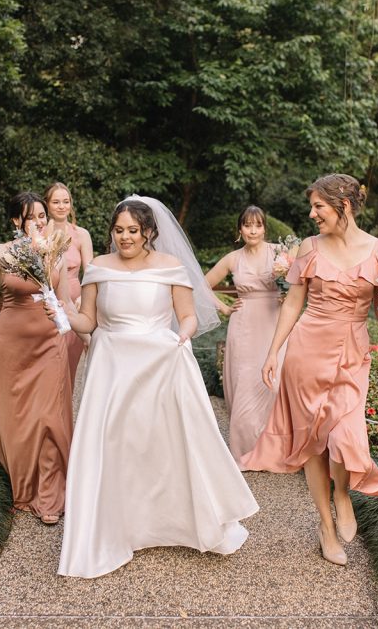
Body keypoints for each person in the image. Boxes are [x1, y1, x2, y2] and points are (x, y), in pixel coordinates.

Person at [51, 196, 258, 578]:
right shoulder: (98, 267)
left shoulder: (171, 267)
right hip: (112, 367)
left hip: (159, 363)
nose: (125, 237)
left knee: (160, 443)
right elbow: (88, 322)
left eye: (133, 230)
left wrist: (181, 337)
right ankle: (118, 528)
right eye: (118, 230)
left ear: (149, 232)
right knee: (115, 443)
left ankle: (170, 522)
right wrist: (63, 308)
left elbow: (188, 316)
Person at [241, 174, 378, 566]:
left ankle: (343, 493)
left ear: (344, 205)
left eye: (319, 207)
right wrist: (273, 351)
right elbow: (294, 303)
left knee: (345, 431)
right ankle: (326, 527)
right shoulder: (309, 248)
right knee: (313, 439)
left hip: (352, 352)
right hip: (307, 352)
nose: (312, 214)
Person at [0, 193, 72, 524]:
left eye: (42, 214)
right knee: (18, 417)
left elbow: (65, 300)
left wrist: (86, 331)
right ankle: (24, 485)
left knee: (48, 416)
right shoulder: (2, 252)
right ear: (15, 222)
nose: (39, 220)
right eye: (31, 216)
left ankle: (49, 494)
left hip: (50, 342)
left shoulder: (56, 251)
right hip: (12, 344)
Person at [204, 206, 283, 469]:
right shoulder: (232, 258)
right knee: (246, 384)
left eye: (258, 225)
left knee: (276, 384)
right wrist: (225, 307)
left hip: (274, 323)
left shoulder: (280, 253)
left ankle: (275, 451)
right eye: (247, 225)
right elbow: (201, 284)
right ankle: (245, 453)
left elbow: (302, 283)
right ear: (240, 229)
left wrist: (289, 294)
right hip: (244, 326)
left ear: (264, 229)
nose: (253, 230)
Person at [44, 182, 95, 385]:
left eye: (66, 201)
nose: (61, 206)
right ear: (47, 205)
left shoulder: (81, 234)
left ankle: (64, 414)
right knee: (48, 365)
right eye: (56, 202)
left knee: (69, 365)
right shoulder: (39, 235)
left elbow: (90, 272)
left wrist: (86, 297)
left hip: (75, 303)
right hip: (47, 302)